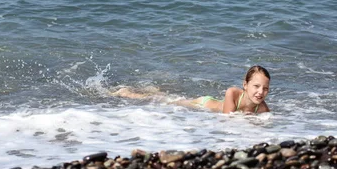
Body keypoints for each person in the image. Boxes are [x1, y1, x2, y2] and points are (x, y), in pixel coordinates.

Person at [112, 65, 271, 114]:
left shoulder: (262, 107)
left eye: (265, 89)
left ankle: (153, 89)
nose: (260, 92)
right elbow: (227, 118)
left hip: (206, 106)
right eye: (256, 86)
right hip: (203, 103)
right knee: (165, 101)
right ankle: (126, 93)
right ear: (245, 85)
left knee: (167, 98)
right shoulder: (233, 93)